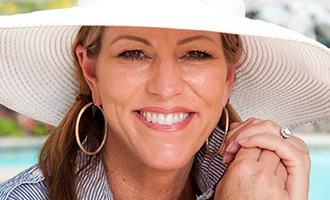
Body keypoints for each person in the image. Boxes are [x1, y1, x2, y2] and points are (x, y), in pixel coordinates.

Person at [0, 0, 329, 199]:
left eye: (196, 54)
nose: (166, 87)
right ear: (92, 71)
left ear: (228, 75)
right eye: (133, 53)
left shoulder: (262, 185)